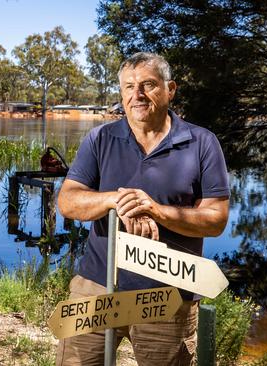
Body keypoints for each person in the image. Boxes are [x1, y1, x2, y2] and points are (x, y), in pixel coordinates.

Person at [56, 52, 230, 365]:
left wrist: (155, 210)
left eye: (148, 85)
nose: (137, 94)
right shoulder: (100, 138)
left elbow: (216, 220)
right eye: (128, 87)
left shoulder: (202, 142)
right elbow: (68, 201)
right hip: (97, 285)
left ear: (170, 89)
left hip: (167, 294)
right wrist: (114, 200)